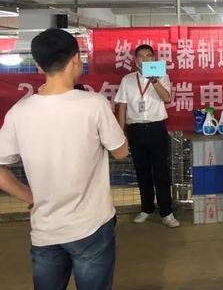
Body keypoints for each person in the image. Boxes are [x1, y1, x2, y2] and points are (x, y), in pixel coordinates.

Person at [0, 28, 128, 290]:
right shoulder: (94, 104)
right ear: (76, 59)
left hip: (45, 230)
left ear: (38, 66)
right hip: (91, 226)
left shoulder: (18, 113)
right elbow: (121, 151)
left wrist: (29, 196)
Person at [114, 44, 179, 228]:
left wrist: (154, 80)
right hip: (136, 130)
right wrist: (121, 133)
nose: (145, 59)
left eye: (149, 55)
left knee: (161, 171)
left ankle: (166, 212)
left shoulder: (162, 76)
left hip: (156, 128)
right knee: (142, 171)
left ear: (154, 59)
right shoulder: (127, 79)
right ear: (136, 61)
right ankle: (147, 208)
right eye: (141, 56)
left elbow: (166, 98)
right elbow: (122, 106)